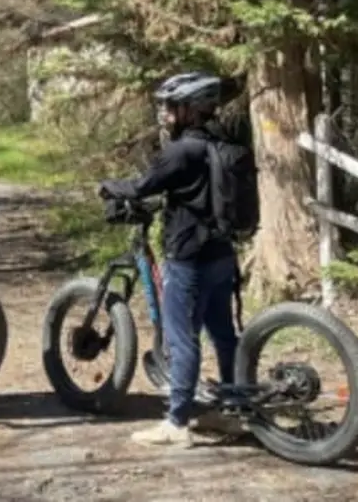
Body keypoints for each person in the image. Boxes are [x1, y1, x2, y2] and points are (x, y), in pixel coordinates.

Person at [97, 71, 246, 448]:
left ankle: (177, 422)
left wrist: (107, 187)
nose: (164, 112)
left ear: (190, 109)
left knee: (182, 340)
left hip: (188, 257)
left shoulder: (181, 151)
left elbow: (143, 186)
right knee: (224, 334)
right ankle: (230, 412)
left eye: (170, 106)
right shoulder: (222, 142)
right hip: (222, 253)